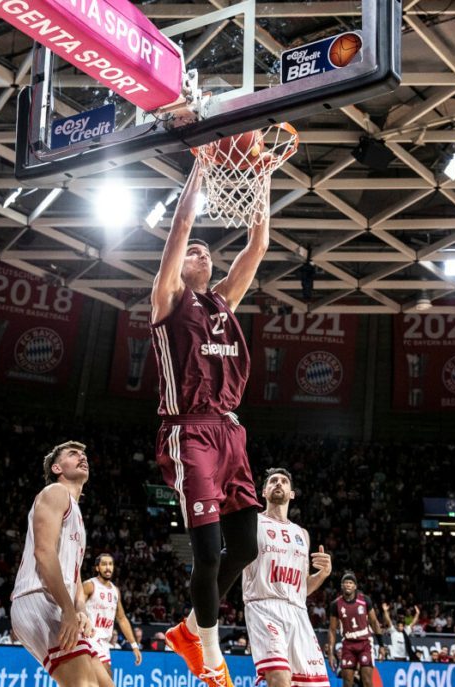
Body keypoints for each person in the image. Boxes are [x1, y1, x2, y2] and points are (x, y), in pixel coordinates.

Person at [151, 160, 271, 687]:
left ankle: (189, 627)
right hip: (189, 430)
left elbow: (258, 244)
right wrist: (201, 167)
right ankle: (212, 657)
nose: (200, 249)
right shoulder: (168, 300)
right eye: (193, 250)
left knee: (245, 547)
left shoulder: (224, 302)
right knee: (207, 550)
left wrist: (261, 177)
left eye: (206, 249)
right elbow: (179, 228)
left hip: (231, 432)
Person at [10, 441, 109, 687]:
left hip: (56, 599)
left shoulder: (74, 508)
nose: (82, 457)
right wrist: (67, 608)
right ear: (56, 468)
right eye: (73, 454)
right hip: (37, 596)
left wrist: (80, 609)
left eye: (84, 454)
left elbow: (72, 573)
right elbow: (44, 553)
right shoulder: (55, 492)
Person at [241, 469, 332, 687]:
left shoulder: (301, 534)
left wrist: (324, 574)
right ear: (264, 491)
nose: (278, 484)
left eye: (284, 481)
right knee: (279, 678)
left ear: (292, 493)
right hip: (263, 606)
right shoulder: (251, 523)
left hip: (297, 612)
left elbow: (302, 588)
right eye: (273, 481)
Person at [83, 553, 142, 676]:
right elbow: (76, 609)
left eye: (110, 564)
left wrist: (134, 645)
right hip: (89, 639)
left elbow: (121, 618)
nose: (108, 567)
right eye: (104, 564)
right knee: (107, 677)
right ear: (97, 568)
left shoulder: (115, 591)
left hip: (104, 642)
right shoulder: (90, 585)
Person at [327, 573, 383, 687]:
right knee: (347, 682)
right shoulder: (335, 604)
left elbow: (374, 622)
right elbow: (332, 630)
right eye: (346, 583)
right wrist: (331, 653)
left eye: (351, 583)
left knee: (367, 681)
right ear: (342, 586)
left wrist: (381, 645)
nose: (348, 585)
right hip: (348, 644)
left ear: (355, 586)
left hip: (365, 643)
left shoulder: (365, 600)